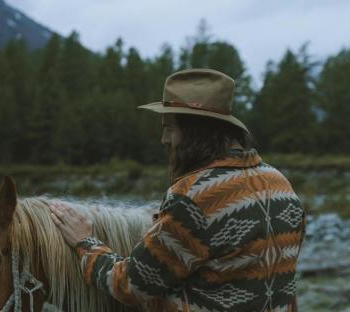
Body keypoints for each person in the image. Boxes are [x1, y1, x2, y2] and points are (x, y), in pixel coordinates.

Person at [49, 68, 306, 311]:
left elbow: (132, 285)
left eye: (169, 128)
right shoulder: (280, 183)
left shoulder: (194, 196)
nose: (164, 140)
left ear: (195, 131)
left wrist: (86, 242)